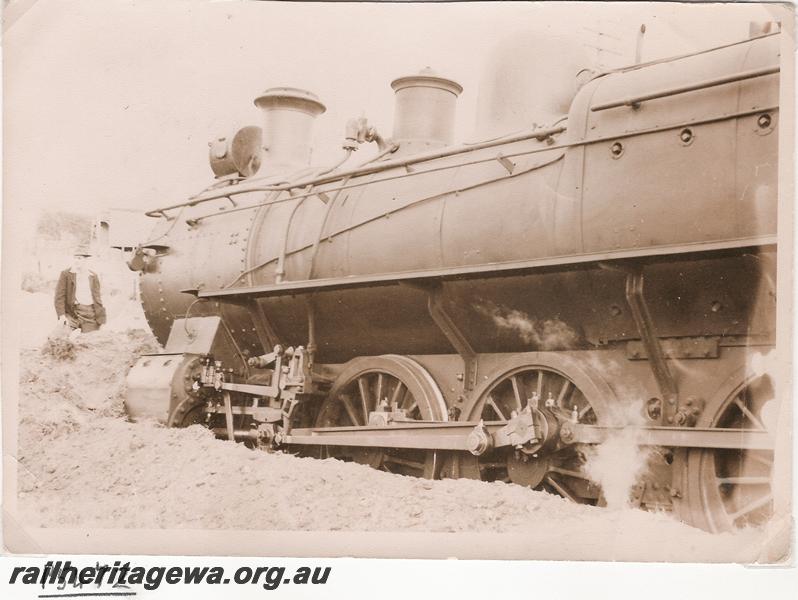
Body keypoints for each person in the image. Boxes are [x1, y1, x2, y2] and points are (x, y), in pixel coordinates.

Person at [54, 246, 107, 333]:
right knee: (63, 336)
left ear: (86, 260)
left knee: (89, 339)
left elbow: (97, 299)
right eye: (75, 258)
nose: (76, 261)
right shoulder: (66, 274)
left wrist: (102, 320)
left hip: (89, 313)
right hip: (72, 313)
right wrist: (62, 315)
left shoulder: (93, 276)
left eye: (79, 258)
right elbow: (59, 297)